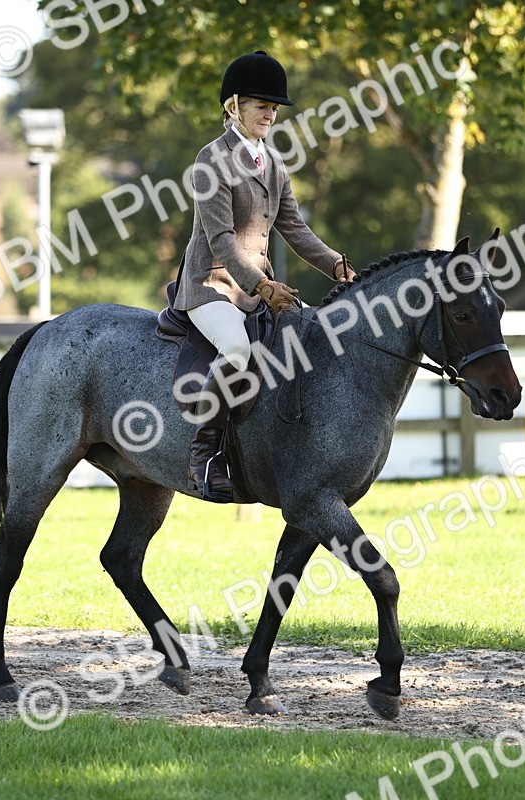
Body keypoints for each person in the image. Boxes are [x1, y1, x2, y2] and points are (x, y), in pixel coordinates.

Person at [176, 50, 355, 503]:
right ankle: (204, 453)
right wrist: (261, 285)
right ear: (233, 105)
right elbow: (221, 239)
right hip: (211, 286)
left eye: (274, 108)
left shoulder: (273, 162)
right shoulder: (211, 159)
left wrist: (336, 264)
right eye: (262, 106)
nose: (270, 115)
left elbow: (294, 228)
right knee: (237, 349)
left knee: (316, 335)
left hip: (259, 290)